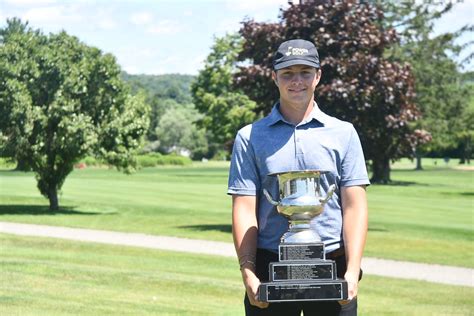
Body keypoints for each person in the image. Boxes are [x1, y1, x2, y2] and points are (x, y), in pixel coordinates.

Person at [228, 39, 370, 315]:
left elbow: (355, 205)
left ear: (318, 76)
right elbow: (244, 208)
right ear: (275, 77)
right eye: (288, 73)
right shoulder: (250, 137)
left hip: (334, 268)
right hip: (270, 270)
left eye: (305, 72)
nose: (297, 81)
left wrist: (352, 272)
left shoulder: (344, 133)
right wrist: (247, 272)